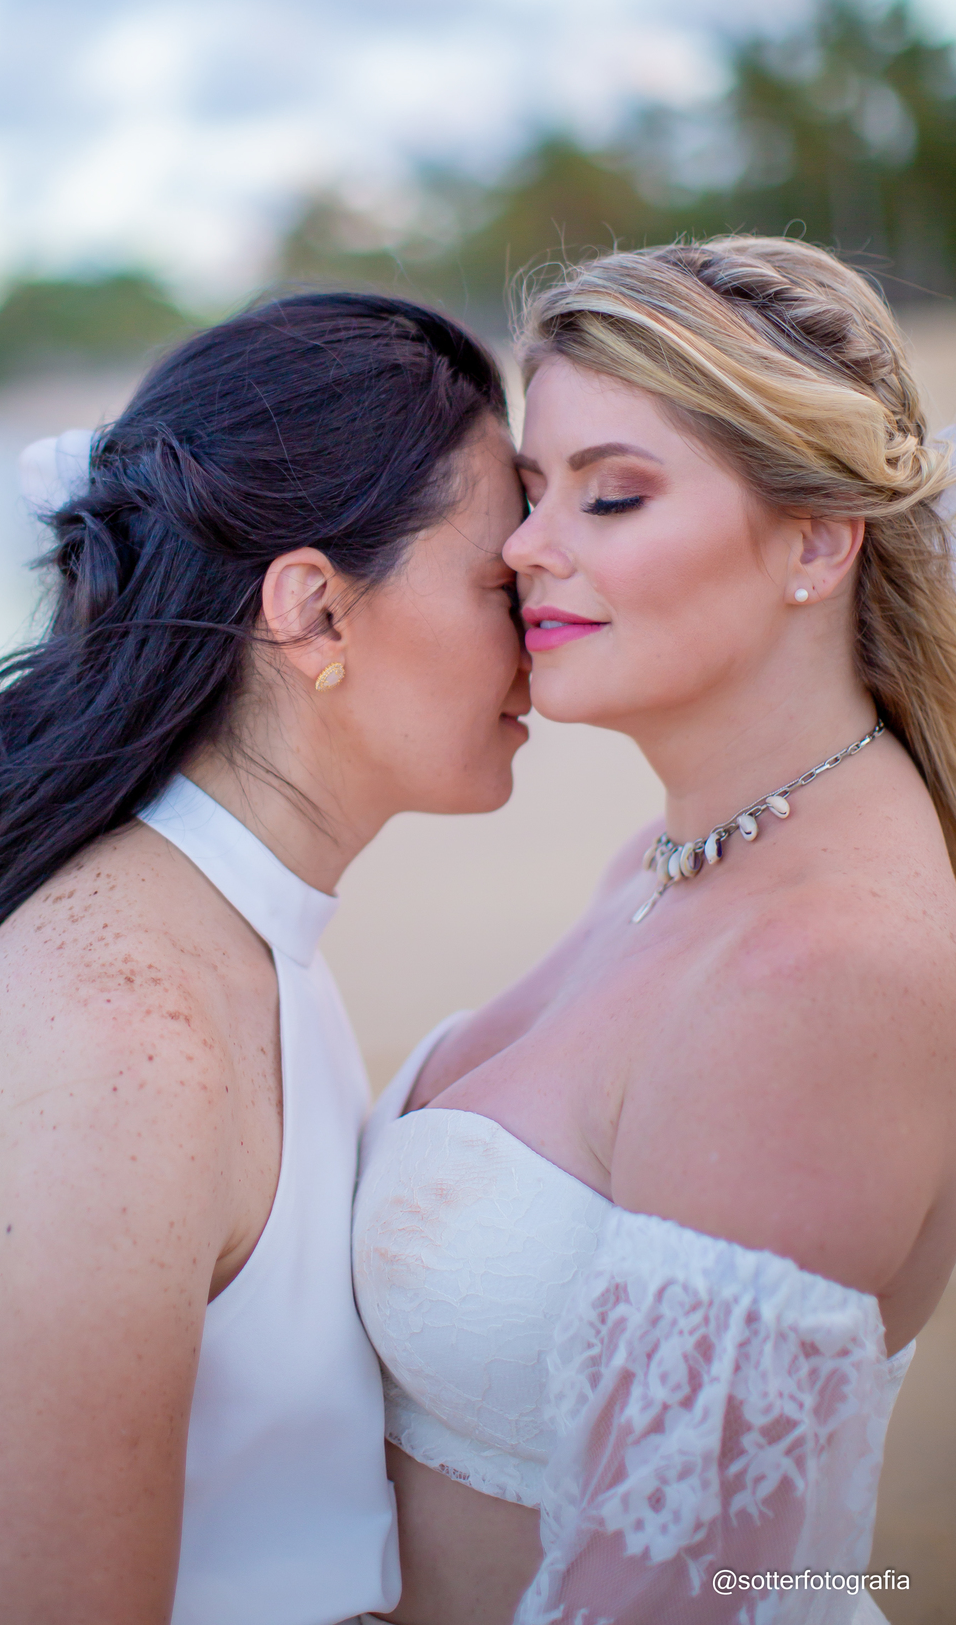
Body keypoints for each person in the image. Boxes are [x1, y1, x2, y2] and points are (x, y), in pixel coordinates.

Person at [0, 292, 532, 1625]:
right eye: (499, 584)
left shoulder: (229, 930)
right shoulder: (132, 1040)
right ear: (315, 613)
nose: (540, 627)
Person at [354, 238, 956, 1624]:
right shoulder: (675, 855)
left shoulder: (824, 973)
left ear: (818, 540)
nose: (524, 549)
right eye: (532, 492)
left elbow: (684, 1589)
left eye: (612, 495)